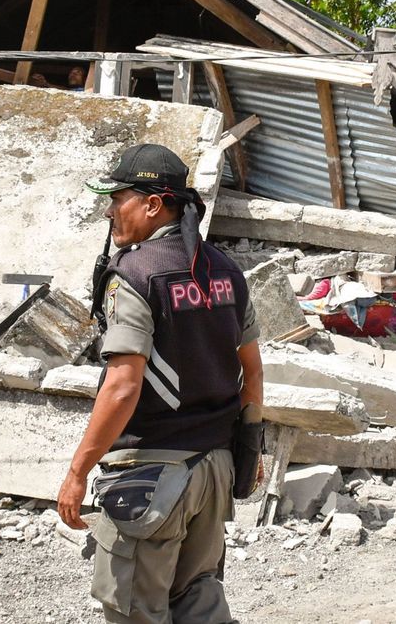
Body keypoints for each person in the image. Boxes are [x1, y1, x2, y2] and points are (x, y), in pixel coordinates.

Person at [57, 144, 264, 624]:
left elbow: (123, 387)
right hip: (214, 471)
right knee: (199, 602)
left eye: (118, 197)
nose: (110, 210)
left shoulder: (134, 274)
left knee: (135, 612)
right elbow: (251, 373)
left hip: (152, 478)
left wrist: (77, 473)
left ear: (152, 204)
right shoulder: (228, 272)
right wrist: (249, 454)